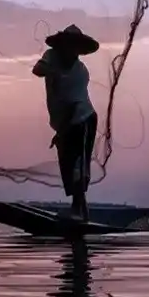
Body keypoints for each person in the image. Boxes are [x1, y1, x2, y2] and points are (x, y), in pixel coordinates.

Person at [33, 25, 100, 220]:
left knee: (78, 164)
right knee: (67, 163)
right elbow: (37, 70)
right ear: (62, 45)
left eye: (75, 47)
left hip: (83, 119)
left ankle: (78, 210)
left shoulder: (80, 73)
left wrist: (62, 132)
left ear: (79, 50)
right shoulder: (52, 57)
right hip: (67, 122)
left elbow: (75, 108)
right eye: (67, 45)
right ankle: (81, 210)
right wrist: (52, 70)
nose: (71, 51)